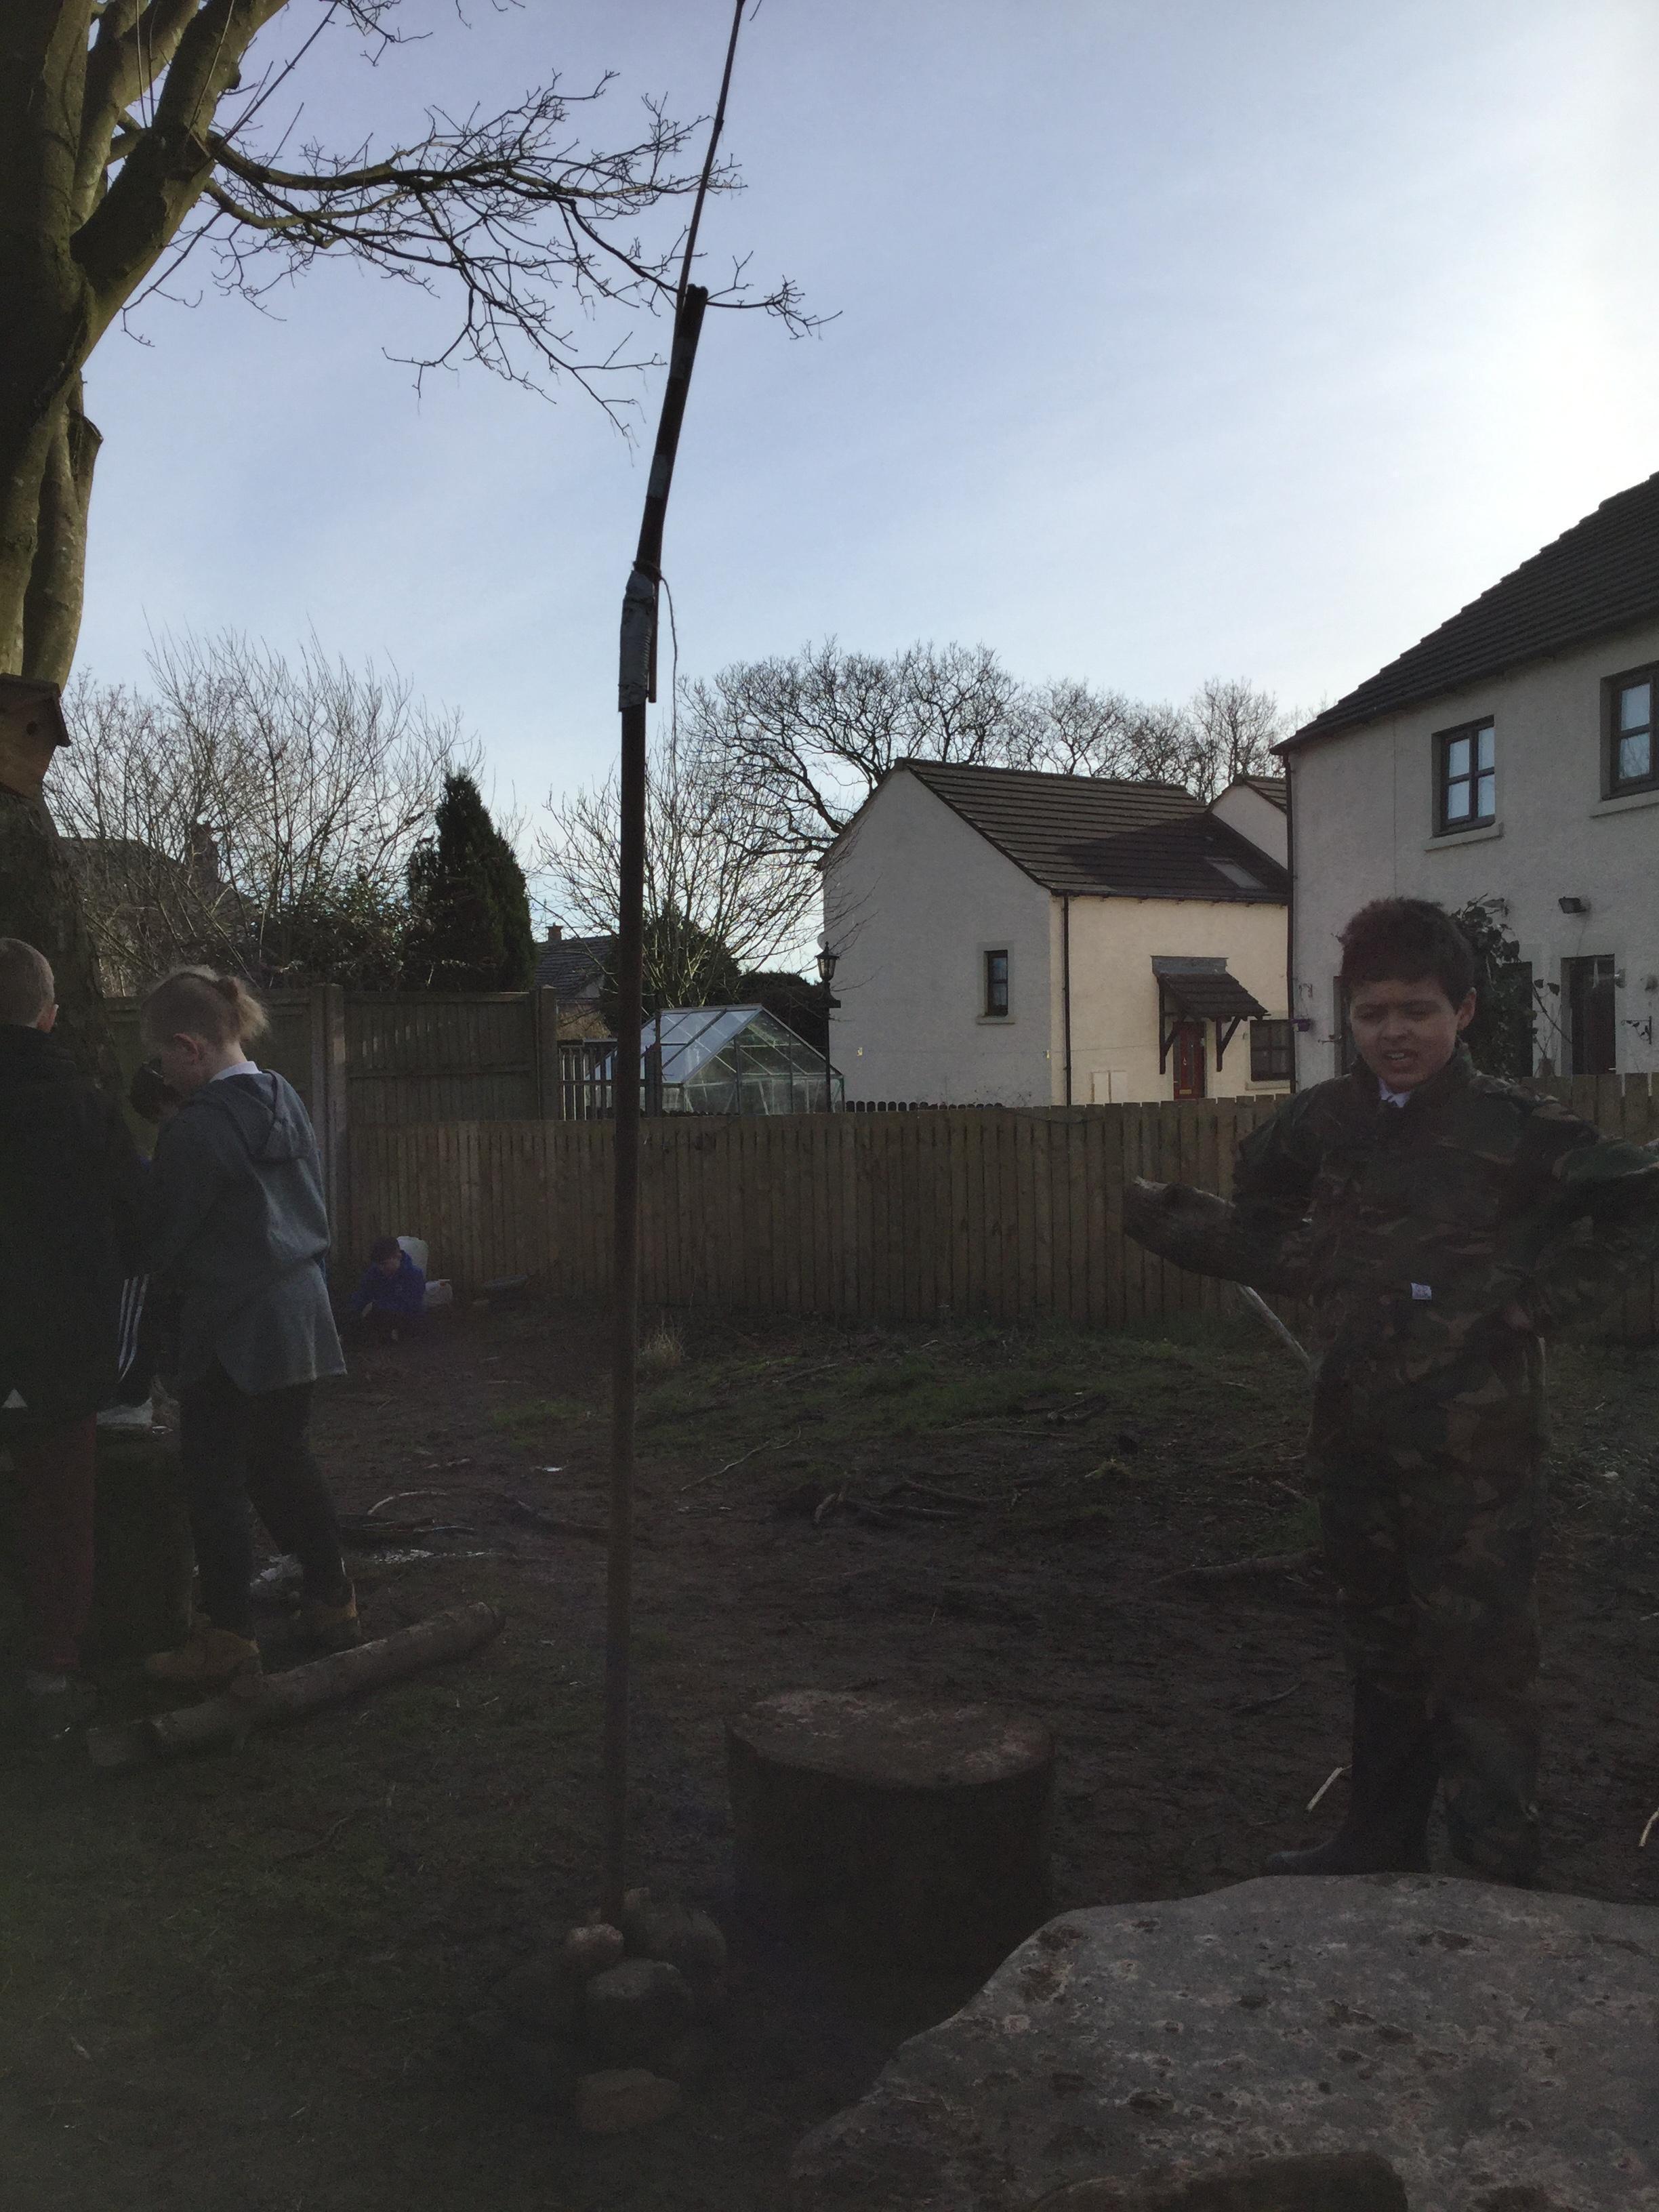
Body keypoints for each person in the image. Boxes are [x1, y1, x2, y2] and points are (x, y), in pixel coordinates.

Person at [1126, 897, 1659, 1885]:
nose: (1394, 1033)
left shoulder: (1517, 1128)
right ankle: (1379, 1840)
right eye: (1373, 1013)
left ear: (1464, 1010)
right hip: (1354, 1429)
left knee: (1481, 1661)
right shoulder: (1326, 1117)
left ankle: (1498, 1872)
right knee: (1379, 1643)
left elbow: (1642, 1202)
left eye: (1418, 1010)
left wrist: (1536, 1305)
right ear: (1350, 1016)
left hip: (1476, 1454)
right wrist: (1304, 1260)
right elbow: (1262, 1191)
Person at [140, 968, 359, 1685]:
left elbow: (162, 1241)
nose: (162, 1074)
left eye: (164, 1058)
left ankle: (229, 1638)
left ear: (190, 1046)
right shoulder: (283, 1097)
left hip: (233, 1325)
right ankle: (333, 1600)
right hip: (301, 1311)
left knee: (214, 1479)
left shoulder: (197, 1129)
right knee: (283, 1460)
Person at [0, 939, 144, 1736]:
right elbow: (138, 1229)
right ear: (51, 1016)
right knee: (60, 1516)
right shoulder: (87, 1107)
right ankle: (54, 1668)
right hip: (61, 1354)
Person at [347, 1235, 427, 1340]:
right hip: (378, 1318)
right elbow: (362, 1294)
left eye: (384, 1264)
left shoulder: (414, 1275)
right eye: (378, 1265)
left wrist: (377, 1306)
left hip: (403, 1320)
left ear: (398, 1257)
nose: (381, 1268)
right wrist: (354, 1312)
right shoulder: (374, 1272)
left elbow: (411, 1306)